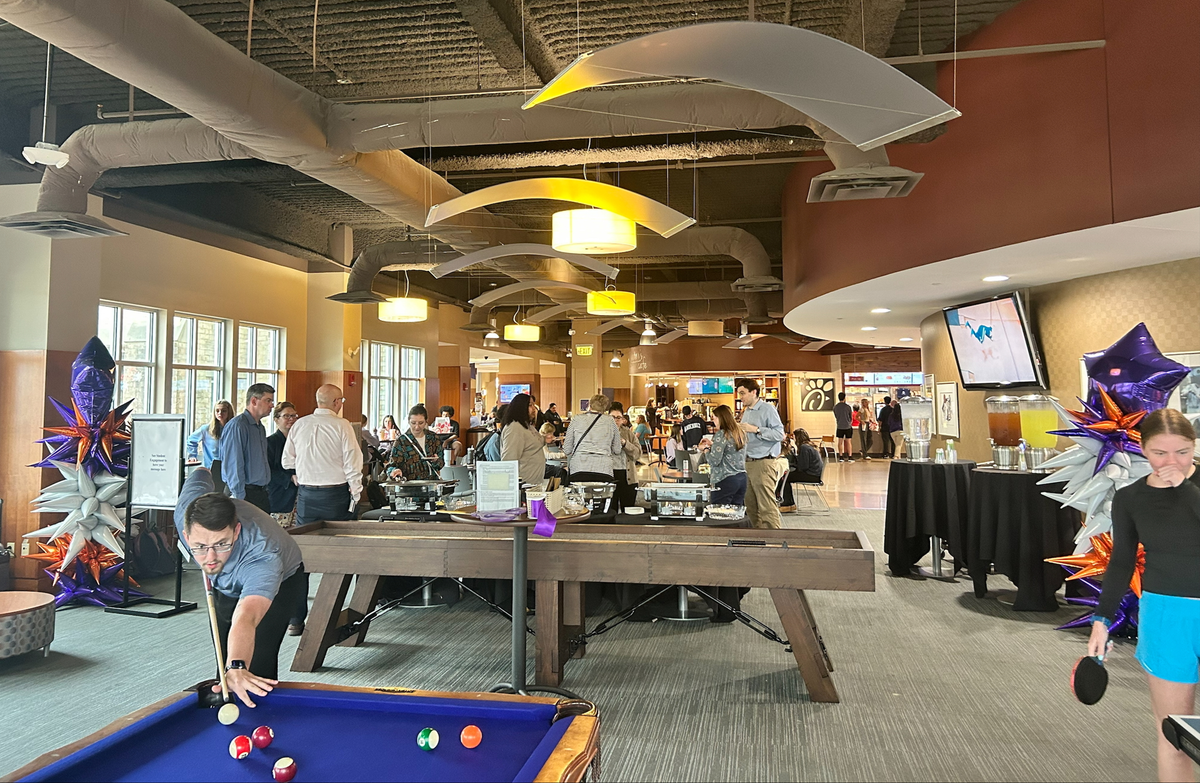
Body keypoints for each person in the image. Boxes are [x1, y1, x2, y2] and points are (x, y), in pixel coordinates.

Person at [1086, 409, 1199, 781]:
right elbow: (1121, 562)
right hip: (1166, 616)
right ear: (1143, 449)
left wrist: (1184, 487)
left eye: (1182, 452)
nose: (1172, 462)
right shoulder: (1131, 498)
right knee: (1174, 735)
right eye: (1160, 453)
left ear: (1194, 446)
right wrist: (1101, 621)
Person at [174, 467, 305, 705]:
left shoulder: (264, 555)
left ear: (236, 531)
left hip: (282, 581)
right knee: (224, 658)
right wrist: (204, 469)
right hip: (225, 583)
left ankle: (259, 715)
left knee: (255, 665)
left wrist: (237, 665)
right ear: (187, 535)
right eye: (200, 547)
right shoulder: (186, 511)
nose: (210, 557)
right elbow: (199, 476)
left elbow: (247, 616)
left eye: (221, 544)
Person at [736, 378, 786, 530]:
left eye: (743, 393)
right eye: (739, 394)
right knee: (750, 505)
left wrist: (757, 430)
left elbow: (779, 434)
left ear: (753, 392)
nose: (740, 397)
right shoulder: (747, 412)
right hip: (747, 462)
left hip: (763, 463)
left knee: (766, 506)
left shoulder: (767, 409)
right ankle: (758, 537)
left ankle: (774, 538)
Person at [221, 383, 275, 513]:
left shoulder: (260, 428)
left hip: (260, 493)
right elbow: (234, 465)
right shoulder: (238, 426)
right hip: (244, 493)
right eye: (268, 400)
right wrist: (240, 499)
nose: (272, 405)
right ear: (254, 401)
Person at [563, 393, 622, 484]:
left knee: (579, 492)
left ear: (589, 405)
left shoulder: (576, 419)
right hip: (603, 469)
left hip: (579, 467)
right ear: (605, 408)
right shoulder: (610, 421)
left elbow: (567, 449)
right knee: (601, 492)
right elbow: (617, 450)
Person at [387, 404, 449, 480]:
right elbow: (391, 466)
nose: (417, 427)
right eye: (413, 423)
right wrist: (394, 471)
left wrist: (436, 461)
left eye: (421, 423)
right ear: (408, 421)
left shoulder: (433, 438)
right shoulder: (401, 441)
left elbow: (441, 463)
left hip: (432, 483)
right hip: (410, 485)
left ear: (426, 421)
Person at [701, 405, 747, 505]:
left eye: (714, 418)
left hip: (724, 479)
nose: (713, 421)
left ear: (720, 418)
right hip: (741, 478)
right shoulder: (740, 433)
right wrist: (713, 445)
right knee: (736, 511)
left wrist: (705, 449)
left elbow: (714, 461)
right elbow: (730, 449)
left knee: (719, 511)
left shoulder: (721, 434)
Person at [499, 393, 547, 487]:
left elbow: (537, 442)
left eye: (534, 405)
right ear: (521, 407)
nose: (534, 409)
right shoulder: (514, 428)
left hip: (533, 483)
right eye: (530, 405)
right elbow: (509, 459)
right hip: (523, 484)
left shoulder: (527, 426)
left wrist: (546, 439)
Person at [265, 402, 298, 516]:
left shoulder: (301, 441)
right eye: (286, 416)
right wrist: (289, 478)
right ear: (276, 419)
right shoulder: (269, 442)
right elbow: (267, 471)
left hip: (299, 495)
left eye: (293, 416)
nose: (291, 419)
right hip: (279, 494)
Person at [187, 400, 234, 469]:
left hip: (230, 467)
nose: (220, 413)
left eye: (223, 411)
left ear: (229, 412)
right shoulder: (206, 429)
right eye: (217, 411)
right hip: (211, 467)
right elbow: (191, 440)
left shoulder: (235, 429)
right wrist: (192, 455)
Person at [610, 409, 642, 510]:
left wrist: (625, 443)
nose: (615, 420)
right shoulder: (602, 433)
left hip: (628, 476)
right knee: (610, 510)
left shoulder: (628, 433)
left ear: (623, 420)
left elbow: (638, 453)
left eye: (618, 418)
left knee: (628, 510)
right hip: (609, 476)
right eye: (612, 417)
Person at [832, 392, 854, 462]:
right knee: (848, 441)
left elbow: (836, 416)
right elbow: (851, 417)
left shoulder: (835, 407)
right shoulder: (848, 407)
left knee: (840, 441)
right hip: (847, 426)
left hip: (839, 426)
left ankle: (841, 456)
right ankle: (850, 456)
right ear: (844, 398)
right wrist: (849, 422)